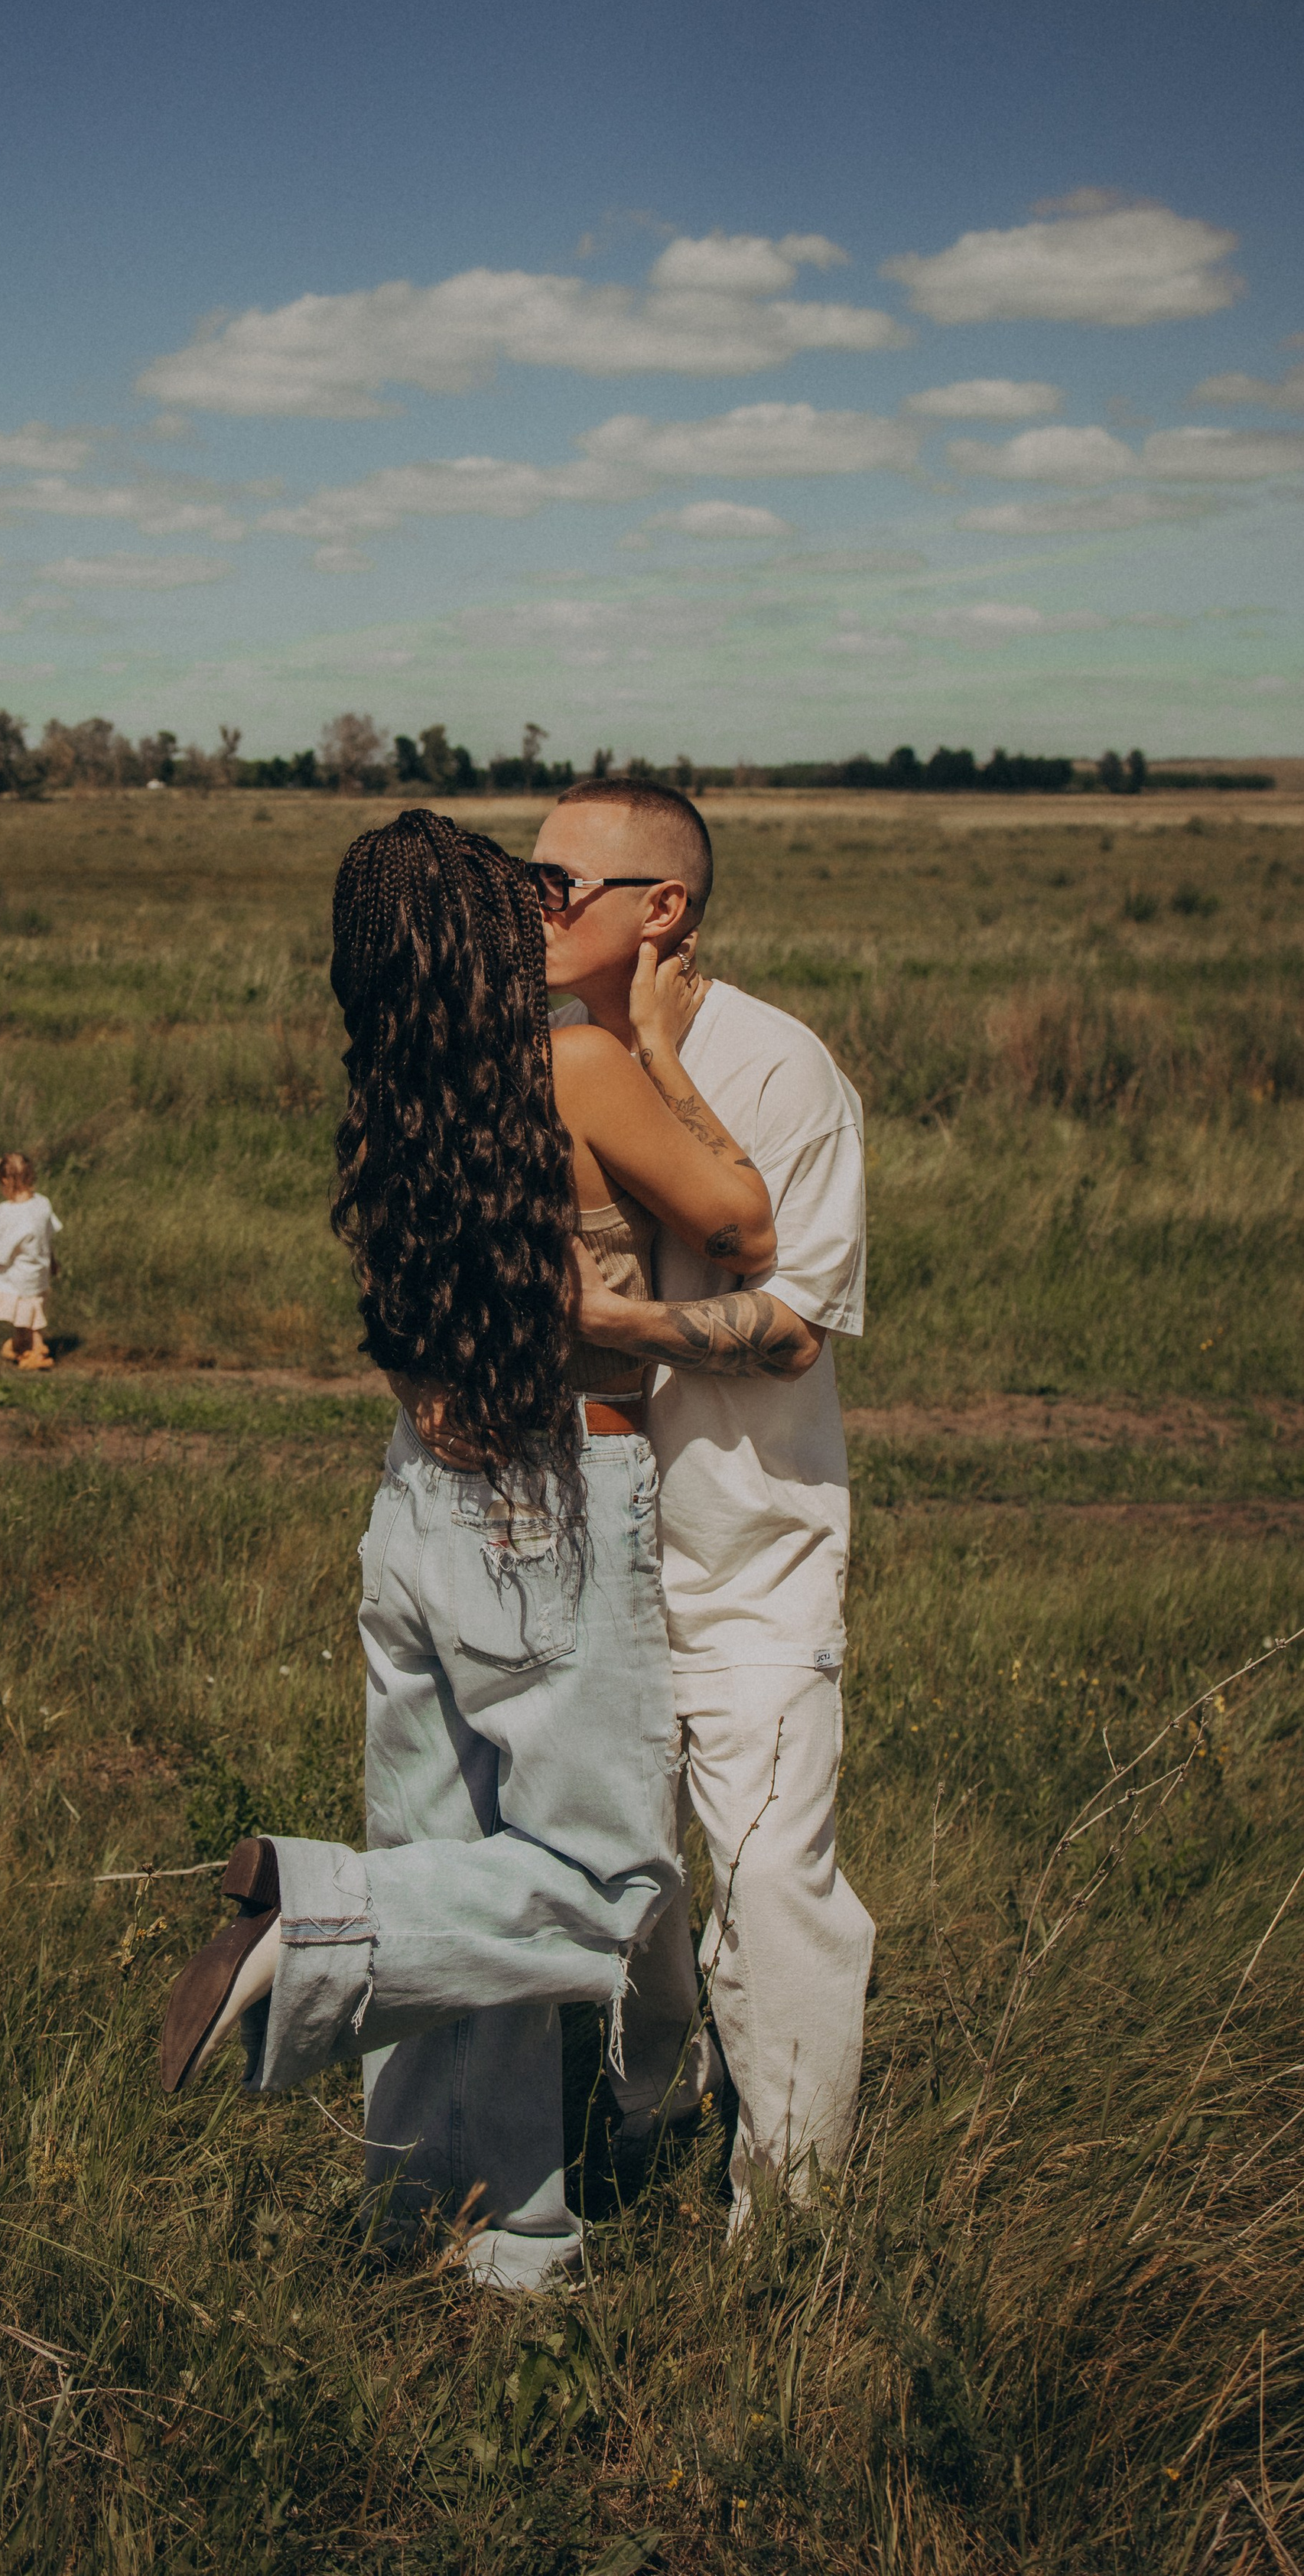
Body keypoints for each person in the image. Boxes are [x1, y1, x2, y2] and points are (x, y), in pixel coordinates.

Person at [158, 808, 774, 2291]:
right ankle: (307, 1934)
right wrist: (657, 1043)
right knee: (608, 1881)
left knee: (454, 1875)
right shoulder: (571, 1066)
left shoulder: (391, 1095)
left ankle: (475, 2237)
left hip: (410, 1516)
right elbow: (743, 1224)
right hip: (553, 1495)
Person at [532, 775, 873, 2223]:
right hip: (580, 1553)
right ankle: (638, 2118)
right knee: (630, 1886)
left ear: (662, 907)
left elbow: (794, 1318)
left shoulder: (778, 1068)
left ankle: (787, 2226)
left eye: (558, 887)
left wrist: (613, 1329)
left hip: (752, 1558)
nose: (528, 911)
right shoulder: (538, 1055)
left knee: (777, 1885)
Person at [0, 1151, 61, 1371]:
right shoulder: (42, 1204)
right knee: (31, 1310)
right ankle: (21, 1345)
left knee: (27, 1314)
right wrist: (53, 1261)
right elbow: (47, 1236)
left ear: (5, 1181)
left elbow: (0, 1244)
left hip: (20, 1275)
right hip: (39, 1270)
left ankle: (37, 1350)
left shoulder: (9, 1213)